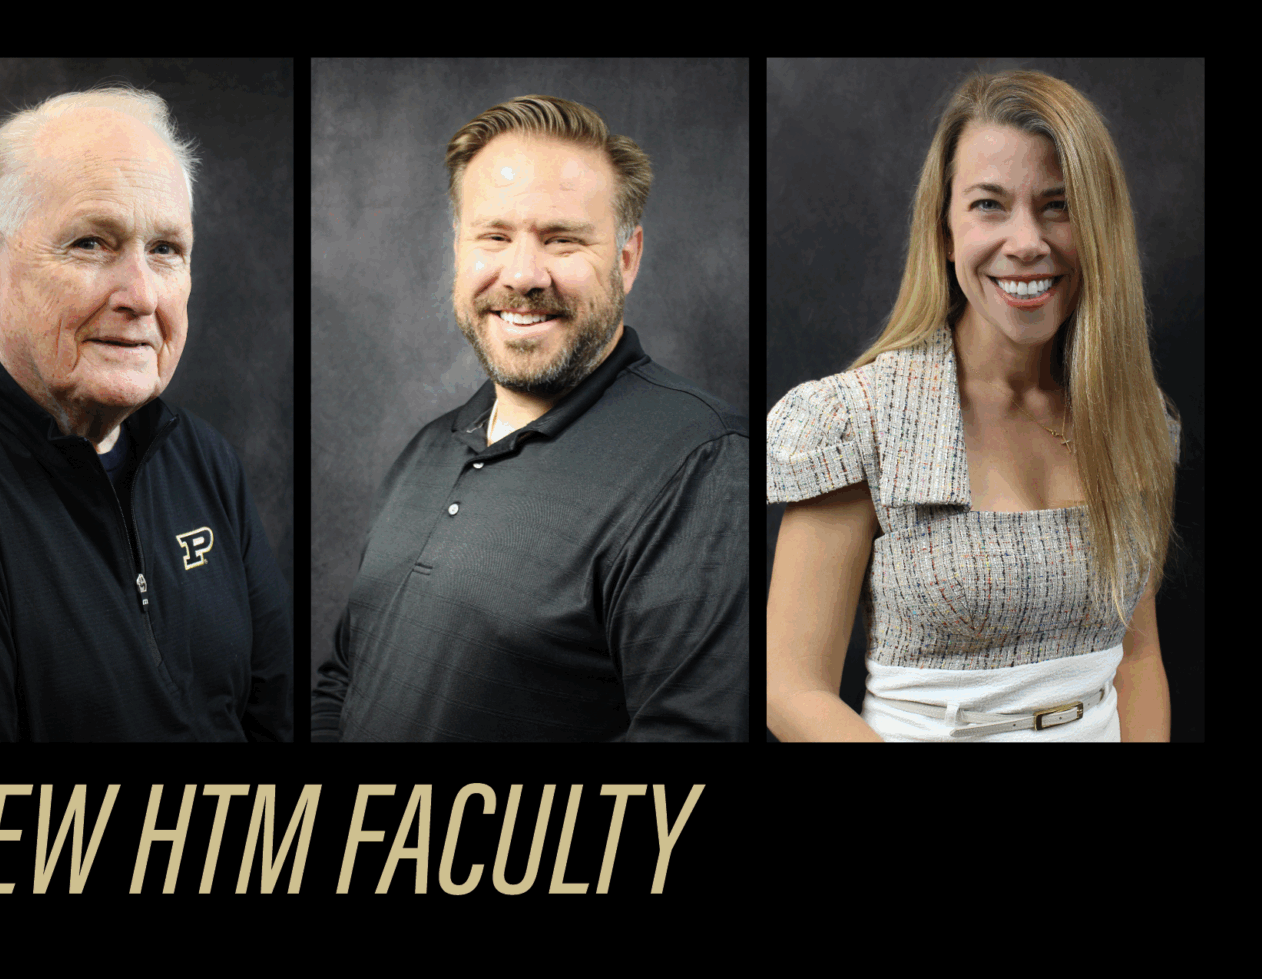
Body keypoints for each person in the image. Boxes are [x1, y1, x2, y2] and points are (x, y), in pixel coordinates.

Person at [0, 85, 289, 742]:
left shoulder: (203, 462)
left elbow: (275, 720)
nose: (141, 295)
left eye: (166, 249)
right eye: (92, 243)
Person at [312, 94, 748, 743]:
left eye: (561, 239)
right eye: (494, 236)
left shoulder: (701, 461)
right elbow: (345, 679)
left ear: (626, 259)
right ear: (460, 250)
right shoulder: (427, 450)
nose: (522, 273)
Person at [766, 69, 1178, 742]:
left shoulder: (1133, 419)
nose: (1026, 242)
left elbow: (1138, 658)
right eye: (989, 204)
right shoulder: (858, 420)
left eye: (1059, 205)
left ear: (1099, 228)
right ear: (946, 231)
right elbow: (790, 690)